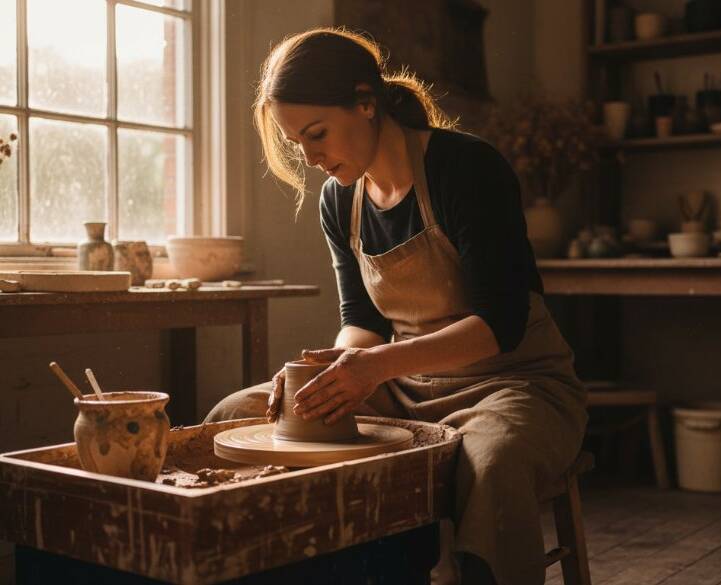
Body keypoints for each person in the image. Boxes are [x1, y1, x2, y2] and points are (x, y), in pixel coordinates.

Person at [205, 27, 588, 585]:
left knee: (492, 463)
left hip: (514, 383)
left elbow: (499, 325)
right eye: (297, 145)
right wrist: (330, 372)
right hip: (406, 385)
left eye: (317, 134)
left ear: (365, 103)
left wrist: (374, 366)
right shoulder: (340, 198)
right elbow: (361, 322)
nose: (311, 159)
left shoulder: (467, 168)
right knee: (235, 417)